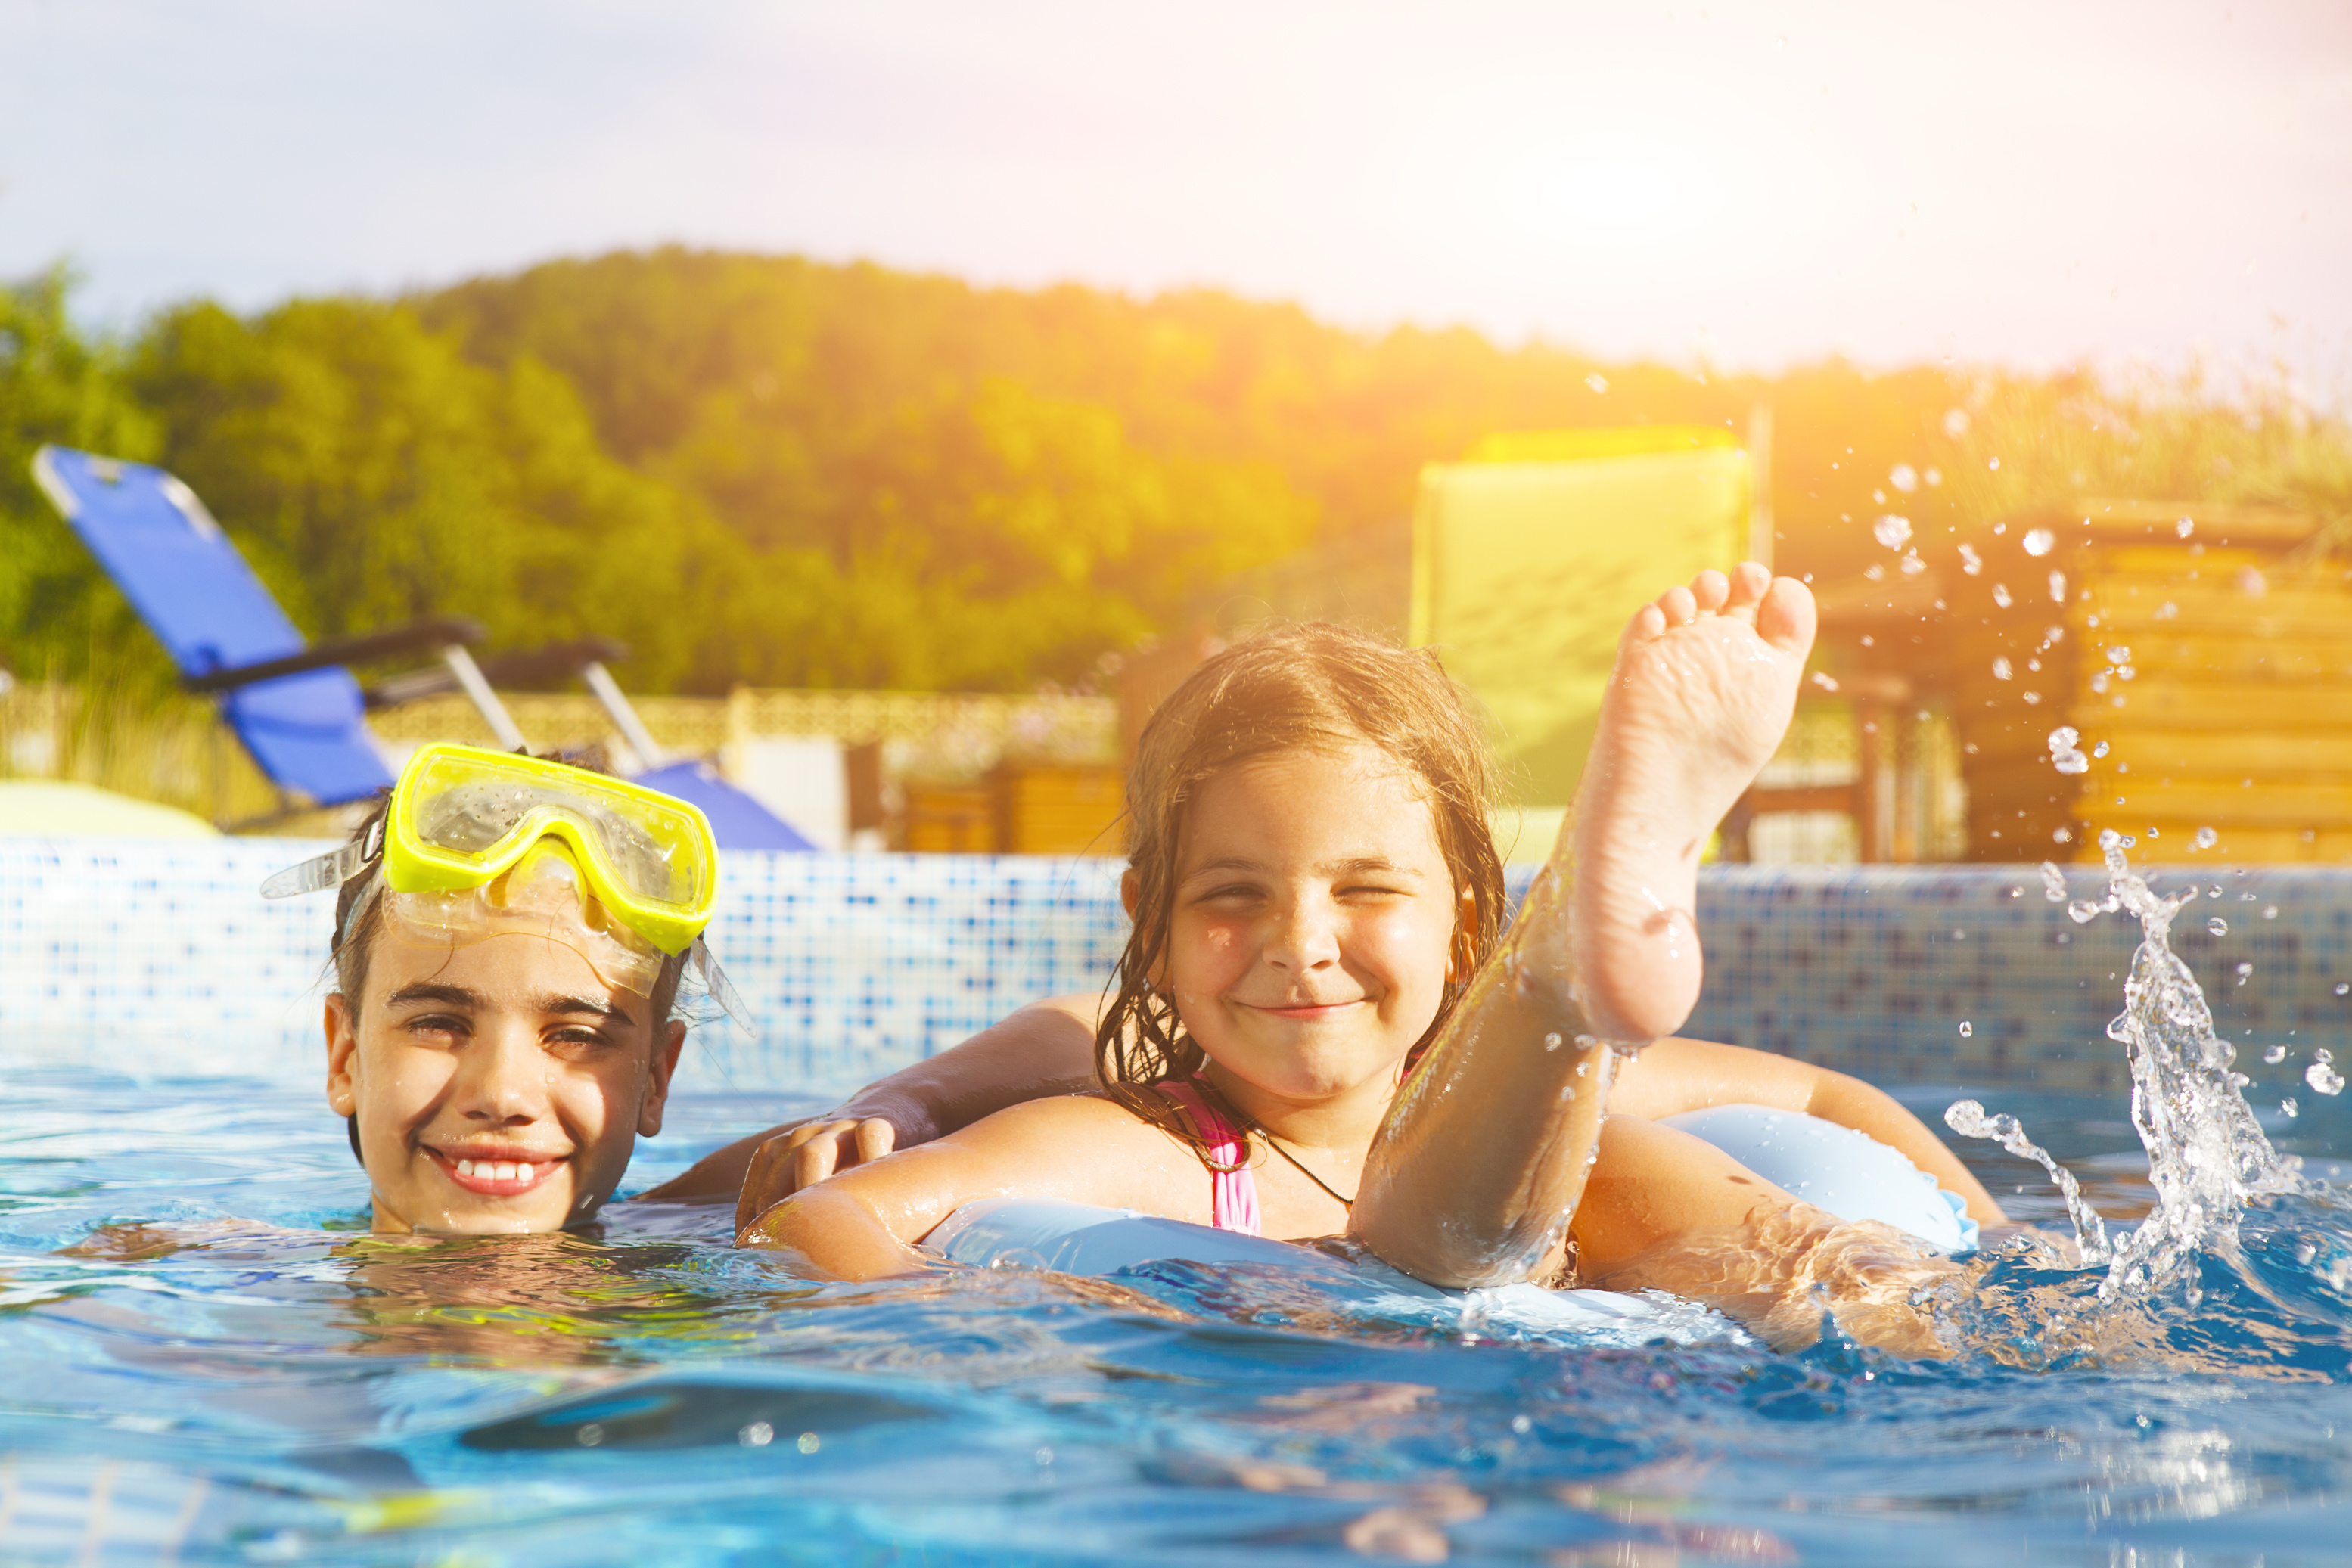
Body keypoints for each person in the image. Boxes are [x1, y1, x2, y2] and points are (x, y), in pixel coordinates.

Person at [735, 566, 1999, 1348]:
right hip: (1449, 1406)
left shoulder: (1561, 1105)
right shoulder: (1155, 1151)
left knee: (1611, 1155)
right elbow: (825, 1218)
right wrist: (982, 1307)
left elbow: (1829, 1102)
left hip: (1556, 1411)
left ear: (1459, 924)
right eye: (1231, 895)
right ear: (1152, 928)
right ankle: (1563, 969)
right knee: (1504, 1181)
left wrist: (2001, 1250)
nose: (1299, 942)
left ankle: (1931, 1323)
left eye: (1361, 889)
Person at [263, 742, 741, 1234]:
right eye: (439, 1023)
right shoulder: (239, 1274)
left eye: (576, 1035)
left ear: (655, 1080)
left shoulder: (716, 1257)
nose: (502, 1094)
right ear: (345, 1055)